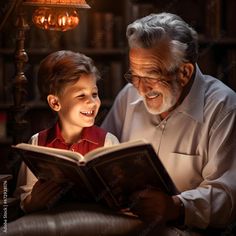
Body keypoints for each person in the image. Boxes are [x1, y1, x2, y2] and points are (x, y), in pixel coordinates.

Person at [101, 12, 236, 235]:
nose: (141, 89)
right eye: (135, 75)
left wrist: (175, 206)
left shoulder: (225, 108)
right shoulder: (129, 96)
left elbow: (229, 195)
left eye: (151, 75)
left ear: (184, 72)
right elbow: (102, 155)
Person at [15, 50, 119, 213]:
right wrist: (33, 201)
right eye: (80, 96)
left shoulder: (108, 142)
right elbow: (24, 199)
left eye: (94, 94)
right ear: (55, 102)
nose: (92, 102)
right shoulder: (37, 143)